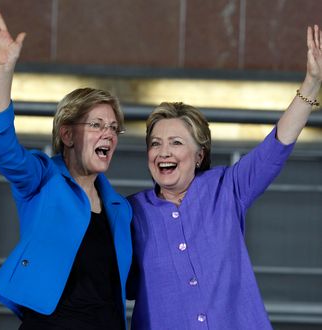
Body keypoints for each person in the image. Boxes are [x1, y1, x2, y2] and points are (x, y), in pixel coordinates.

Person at [127, 25, 322, 329]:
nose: (163, 152)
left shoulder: (225, 188)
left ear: (200, 154)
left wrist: (310, 85)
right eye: (155, 143)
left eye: (176, 143)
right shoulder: (130, 212)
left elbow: (276, 147)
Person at [0, 11, 132, 330]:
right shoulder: (41, 179)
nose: (108, 133)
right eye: (96, 125)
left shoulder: (121, 208)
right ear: (67, 134)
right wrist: (4, 69)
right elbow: (1, 145)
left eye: (113, 128)